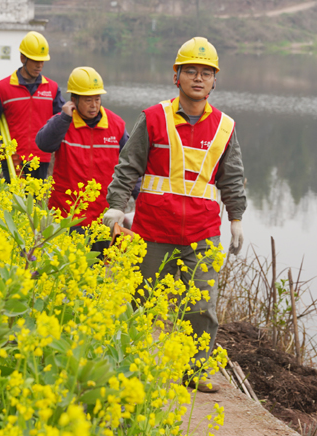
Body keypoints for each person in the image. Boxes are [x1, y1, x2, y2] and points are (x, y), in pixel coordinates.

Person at [102, 37, 246, 394]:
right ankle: (129, 364)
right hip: (152, 231)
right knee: (140, 301)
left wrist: (237, 218)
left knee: (202, 308)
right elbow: (127, 166)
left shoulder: (225, 128)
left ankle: (194, 371)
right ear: (176, 76)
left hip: (203, 234)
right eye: (190, 71)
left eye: (206, 73)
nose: (198, 79)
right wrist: (117, 206)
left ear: (215, 81)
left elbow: (232, 177)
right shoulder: (152, 118)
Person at [35, 67, 130, 251]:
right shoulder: (62, 123)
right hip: (67, 217)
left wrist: (137, 199)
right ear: (74, 100)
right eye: (88, 100)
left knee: (99, 271)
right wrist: (63, 119)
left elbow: (129, 165)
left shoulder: (116, 125)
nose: (94, 105)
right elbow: (43, 144)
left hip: (103, 218)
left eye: (97, 99)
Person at [0, 31, 64, 180]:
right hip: (12, 158)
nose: (39, 65)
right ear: (22, 58)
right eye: (35, 60)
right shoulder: (3, 88)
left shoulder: (52, 88)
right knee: (13, 201)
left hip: (41, 159)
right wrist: (0, 148)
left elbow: (60, 121)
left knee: (35, 202)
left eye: (42, 61)